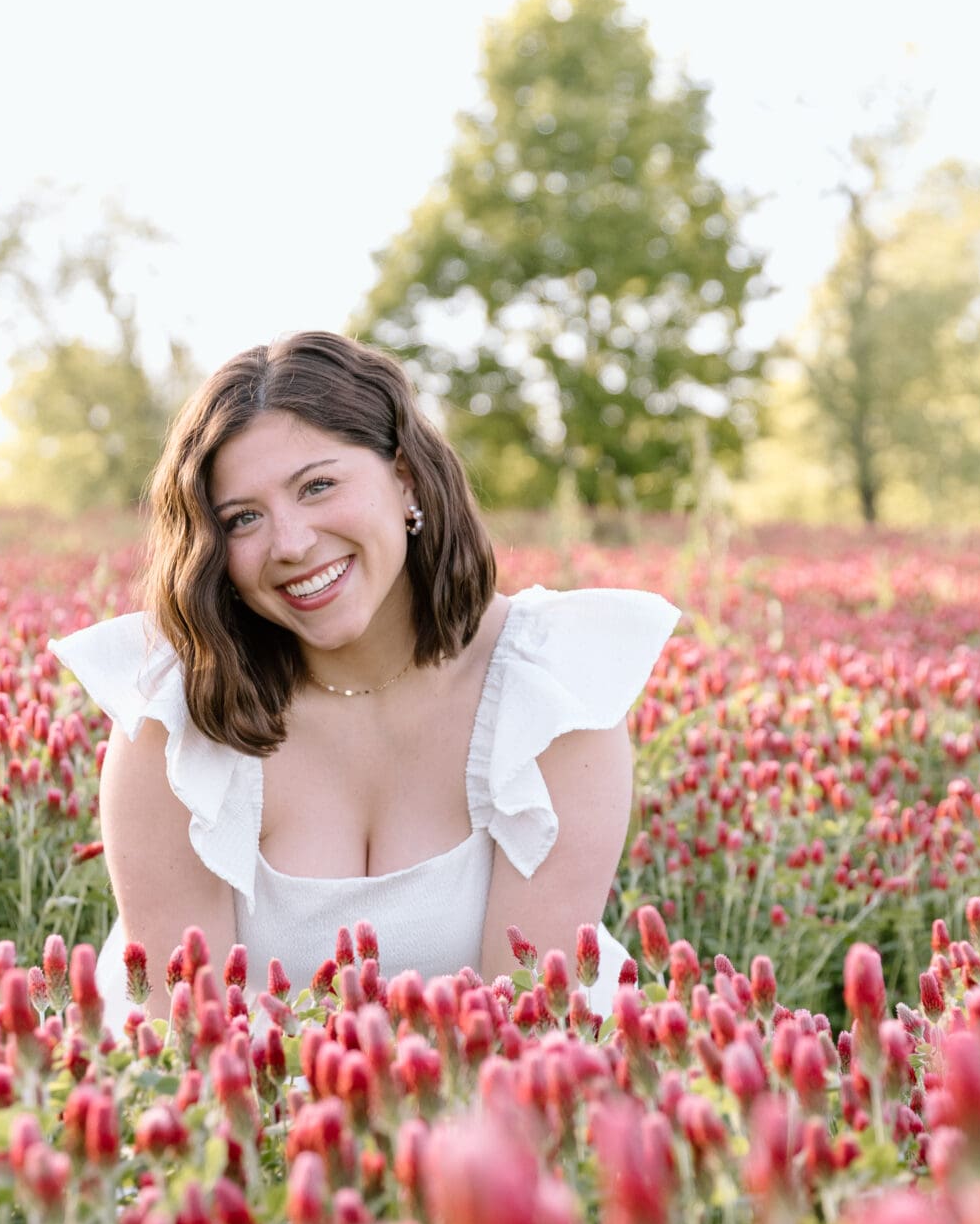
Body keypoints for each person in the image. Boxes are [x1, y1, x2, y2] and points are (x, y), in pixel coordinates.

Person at [48, 330, 680, 1016]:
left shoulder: (552, 688)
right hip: (225, 1107)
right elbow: (188, 1042)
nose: (289, 544)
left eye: (318, 485)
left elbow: (530, 1025)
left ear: (404, 476)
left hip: (497, 1099)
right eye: (243, 519)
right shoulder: (176, 717)